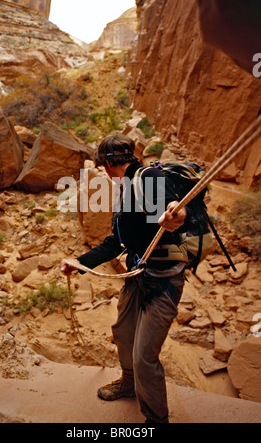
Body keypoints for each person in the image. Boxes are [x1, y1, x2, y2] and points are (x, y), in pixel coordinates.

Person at [61, 134, 191, 424]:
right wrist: (79, 262)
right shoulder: (127, 188)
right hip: (139, 276)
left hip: (163, 281)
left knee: (144, 356)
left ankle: (156, 420)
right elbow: (117, 242)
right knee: (123, 331)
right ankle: (129, 384)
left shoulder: (148, 178)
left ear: (107, 164)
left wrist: (177, 215)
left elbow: (174, 210)